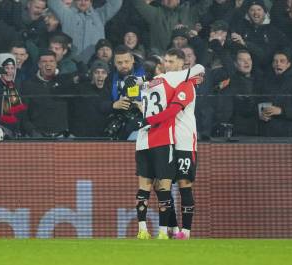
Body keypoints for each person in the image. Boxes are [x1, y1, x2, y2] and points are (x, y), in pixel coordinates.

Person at [135, 48, 204, 240]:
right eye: (165, 61)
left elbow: (173, 110)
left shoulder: (186, 84)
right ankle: (172, 228)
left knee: (184, 185)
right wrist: (140, 83)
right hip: (167, 138)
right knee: (161, 186)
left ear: (182, 64)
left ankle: (186, 232)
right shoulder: (163, 82)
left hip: (184, 142)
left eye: (172, 61)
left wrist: (147, 120)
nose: (167, 64)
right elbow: (145, 89)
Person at [20, 50, 77, 138]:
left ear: (56, 64)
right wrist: (32, 132)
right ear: (39, 64)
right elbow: (23, 114)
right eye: (44, 61)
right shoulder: (28, 85)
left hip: (62, 137)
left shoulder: (64, 82)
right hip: (38, 137)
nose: (48, 64)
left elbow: (75, 109)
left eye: (51, 61)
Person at [48, 0, 122, 62]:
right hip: (71, 64)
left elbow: (115, 3)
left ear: (91, 2)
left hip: (94, 65)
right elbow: (52, 2)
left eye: (86, 0)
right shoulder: (66, 15)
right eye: (80, 0)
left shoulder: (100, 15)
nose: (83, 2)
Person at [259, 50, 292, 137]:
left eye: (282, 61)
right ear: (272, 64)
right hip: (268, 134)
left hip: (289, 135)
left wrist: (281, 111)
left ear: (288, 64)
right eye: (275, 61)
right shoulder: (265, 82)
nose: (278, 64)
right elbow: (260, 103)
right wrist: (261, 114)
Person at [68, 59, 113, 137]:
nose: (100, 75)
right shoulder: (80, 89)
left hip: (102, 137)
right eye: (97, 72)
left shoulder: (110, 91)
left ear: (107, 75)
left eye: (103, 72)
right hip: (81, 137)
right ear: (91, 75)